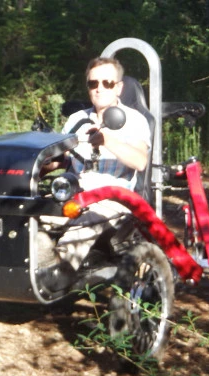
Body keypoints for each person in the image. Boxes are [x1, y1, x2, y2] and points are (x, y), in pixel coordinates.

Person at [39, 57, 152, 272]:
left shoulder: (135, 120)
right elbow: (63, 159)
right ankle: (29, 262)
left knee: (84, 224)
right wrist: (41, 166)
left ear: (118, 88)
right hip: (73, 195)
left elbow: (140, 161)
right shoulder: (76, 120)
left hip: (112, 200)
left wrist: (107, 140)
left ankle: (59, 270)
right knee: (29, 213)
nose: (99, 89)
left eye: (107, 83)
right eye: (93, 83)